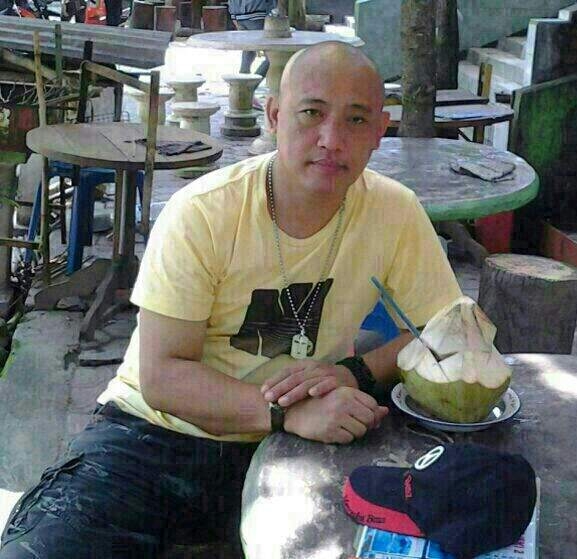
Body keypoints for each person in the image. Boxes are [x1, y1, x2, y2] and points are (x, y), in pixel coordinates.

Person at [0, 42, 462, 558]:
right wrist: (285, 414)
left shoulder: (394, 212)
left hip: (298, 445)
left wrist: (353, 373)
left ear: (380, 130)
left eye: (356, 120)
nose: (331, 140)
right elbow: (163, 376)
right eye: (311, 113)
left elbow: (448, 331)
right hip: (157, 435)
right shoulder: (203, 212)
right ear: (274, 115)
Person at [228, 0, 276, 108]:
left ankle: (241, 90)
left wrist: (233, 15)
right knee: (273, 57)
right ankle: (249, 90)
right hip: (256, 13)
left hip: (239, 15)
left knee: (248, 51)